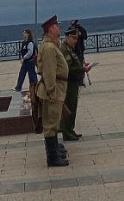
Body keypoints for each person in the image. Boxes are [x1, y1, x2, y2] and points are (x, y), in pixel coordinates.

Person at [35, 15, 69, 167]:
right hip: (52, 90)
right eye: (56, 26)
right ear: (50, 29)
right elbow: (49, 71)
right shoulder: (48, 47)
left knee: (54, 121)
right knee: (50, 123)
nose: (59, 28)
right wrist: (52, 90)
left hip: (57, 88)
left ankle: (55, 150)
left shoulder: (50, 45)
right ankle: (52, 157)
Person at [59, 25, 86, 142]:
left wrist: (82, 67)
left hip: (74, 82)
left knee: (73, 106)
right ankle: (67, 132)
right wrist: (82, 70)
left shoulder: (70, 49)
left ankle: (71, 130)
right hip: (69, 83)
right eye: (74, 39)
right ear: (67, 37)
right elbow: (67, 69)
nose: (75, 41)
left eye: (76, 39)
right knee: (69, 107)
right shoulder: (64, 49)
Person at [14, 28, 38, 93]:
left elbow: (30, 52)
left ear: (28, 34)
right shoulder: (24, 42)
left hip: (30, 62)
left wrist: (24, 58)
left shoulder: (30, 43)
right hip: (25, 62)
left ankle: (35, 87)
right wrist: (20, 51)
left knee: (32, 75)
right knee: (21, 74)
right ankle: (18, 87)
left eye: (24, 33)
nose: (23, 34)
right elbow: (24, 50)